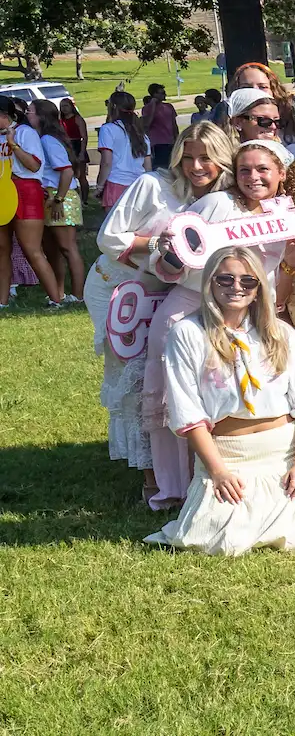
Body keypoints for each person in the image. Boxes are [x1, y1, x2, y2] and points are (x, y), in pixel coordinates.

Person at [146, 247, 295, 555]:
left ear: (259, 289)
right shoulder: (187, 333)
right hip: (228, 459)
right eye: (226, 279)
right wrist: (218, 472)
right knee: (219, 541)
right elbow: (187, 412)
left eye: (248, 281)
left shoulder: (282, 335)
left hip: (282, 459)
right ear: (209, 283)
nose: (237, 287)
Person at [88, 120, 230, 502]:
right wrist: (158, 241)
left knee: (168, 371)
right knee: (133, 374)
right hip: (116, 285)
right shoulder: (154, 185)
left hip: (167, 292)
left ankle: (179, 466)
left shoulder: (221, 198)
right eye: (189, 157)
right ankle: (149, 473)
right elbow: (107, 238)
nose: (197, 166)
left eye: (207, 158)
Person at [2, 99, 67, 306]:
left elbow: (33, 165)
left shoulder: (25, 133)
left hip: (26, 190)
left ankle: (56, 300)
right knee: (2, 249)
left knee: (32, 250)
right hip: (4, 191)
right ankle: (2, 301)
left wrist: (13, 144)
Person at [34, 101, 84, 300]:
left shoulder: (48, 140)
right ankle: (59, 292)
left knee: (67, 247)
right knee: (52, 249)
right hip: (51, 195)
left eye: (30, 111)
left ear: (41, 116)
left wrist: (59, 199)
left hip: (61, 196)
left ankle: (78, 295)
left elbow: (67, 171)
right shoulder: (45, 138)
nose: (27, 115)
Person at [145, 82, 176, 168]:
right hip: (157, 143)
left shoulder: (169, 106)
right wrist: (153, 105)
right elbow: (147, 123)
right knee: (161, 167)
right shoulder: (147, 108)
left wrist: (176, 138)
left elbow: (174, 124)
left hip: (170, 141)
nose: (165, 94)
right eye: (162, 93)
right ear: (154, 94)